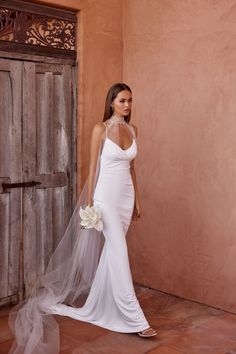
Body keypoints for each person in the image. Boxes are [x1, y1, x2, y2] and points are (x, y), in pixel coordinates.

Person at [9, 83, 157, 354]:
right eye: (123, 100)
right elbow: (93, 166)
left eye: (130, 101)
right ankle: (135, 318)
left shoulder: (133, 130)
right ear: (111, 101)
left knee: (112, 254)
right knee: (119, 251)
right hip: (105, 198)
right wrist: (90, 203)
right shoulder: (100, 129)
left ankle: (100, 304)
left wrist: (138, 199)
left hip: (124, 198)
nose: (127, 105)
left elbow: (132, 167)